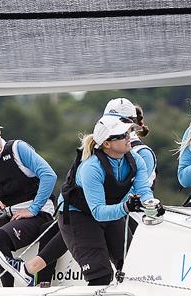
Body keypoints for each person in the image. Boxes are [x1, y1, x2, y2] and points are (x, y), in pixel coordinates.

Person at [57, 115, 162, 286]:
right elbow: (98, 212)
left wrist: (152, 206)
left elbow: (144, 191)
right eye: (122, 135)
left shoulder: (136, 160)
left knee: (134, 267)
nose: (129, 137)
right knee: (101, 276)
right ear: (107, 143)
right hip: (78, 216)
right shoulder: (92, 168)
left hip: (110, 210)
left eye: (128, 132)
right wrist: (126, 207)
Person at [0, 116, 57, 287]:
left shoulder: (17, 148)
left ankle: (13, 288)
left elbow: (49, 175)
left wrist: (34, 209)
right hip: (9, 216)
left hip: (39, 212)